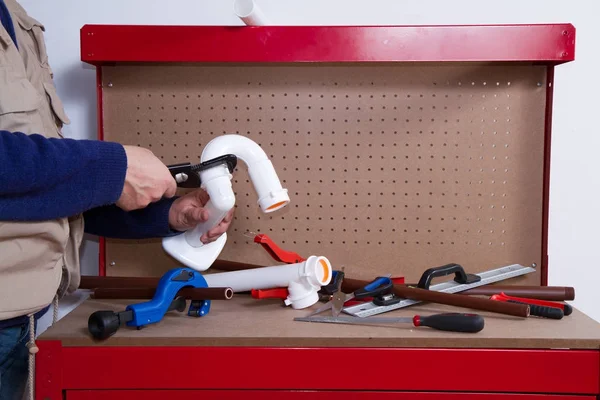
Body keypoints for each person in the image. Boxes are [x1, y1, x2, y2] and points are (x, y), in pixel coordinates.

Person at [0, 0, 234, 398]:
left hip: (21, 320)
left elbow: (39, 189)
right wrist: (113, 169)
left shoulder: (16, 19)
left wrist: (170, 215)